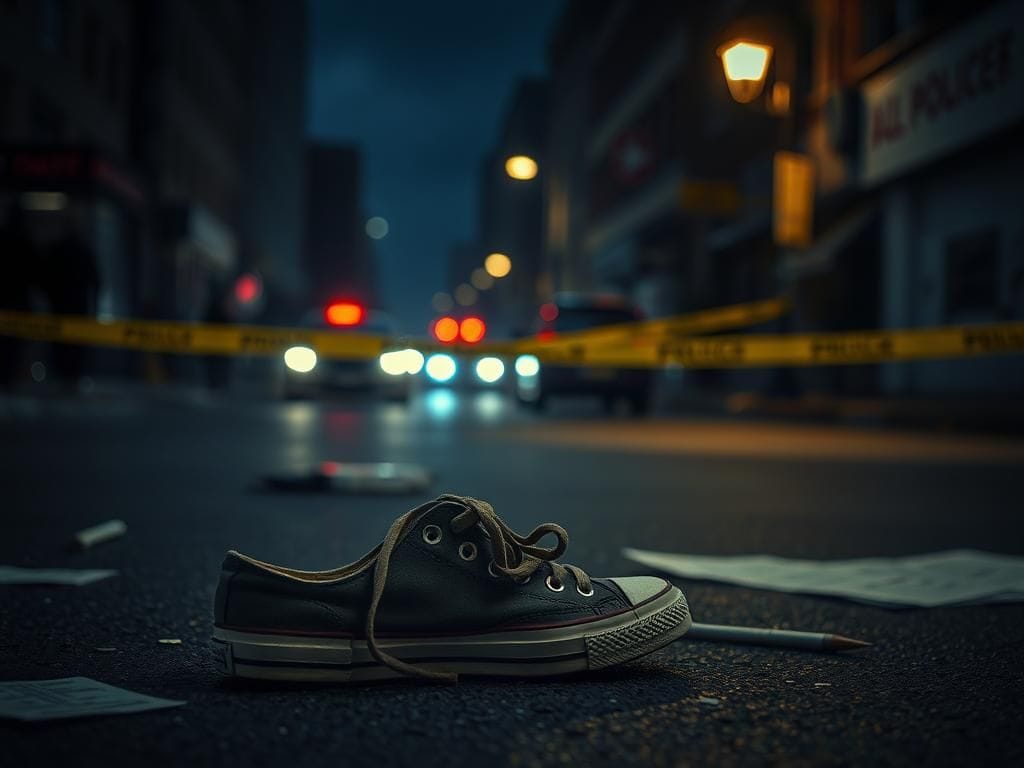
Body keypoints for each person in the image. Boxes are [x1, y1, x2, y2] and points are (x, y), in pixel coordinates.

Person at [45, 206, 99, 387]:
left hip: (63, 307)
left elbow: (44, 279)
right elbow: (96, 281)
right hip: (73, 307)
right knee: (72, 346)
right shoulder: (79, 251)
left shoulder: (59, 251)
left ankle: (65, 377)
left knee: (65, 346)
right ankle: (69, 378)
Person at [0, 204, 35, 390]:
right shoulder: (24, 242)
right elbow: (35, 273)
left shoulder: (4, 239)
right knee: (14, 345)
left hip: (6, 301)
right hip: (18, 302)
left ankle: (7, 377)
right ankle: (10, 378)